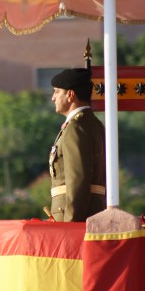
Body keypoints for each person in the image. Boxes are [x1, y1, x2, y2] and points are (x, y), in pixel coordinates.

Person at [49, 67, 106, 222]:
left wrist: (71, 223)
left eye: (56, 91)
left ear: (70, 95)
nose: (53, 98)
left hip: (74, 218)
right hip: (93, 213)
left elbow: (78, 181)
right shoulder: (95, 124)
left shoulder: (75, 127)